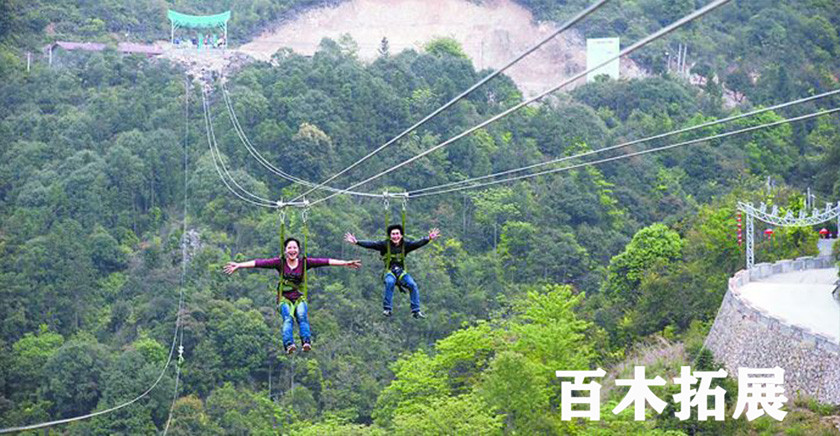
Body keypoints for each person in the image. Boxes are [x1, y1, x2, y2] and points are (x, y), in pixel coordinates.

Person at [224, 238, 361, 354]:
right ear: (285, 251)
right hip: (285, 299)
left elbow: (325, 261)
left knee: (301, 316)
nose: (292, 250)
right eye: (289, 248)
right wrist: (239, 265)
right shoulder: (280, 263)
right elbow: (259, 263)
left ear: (298, 250)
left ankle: (306, 342)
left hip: (299, 297)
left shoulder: (304, 263)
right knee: (288, 318)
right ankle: (289, 344)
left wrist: (345, 263)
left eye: (294, 248)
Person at [345, 225, 440, 318]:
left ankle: (416, 310)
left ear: (401, 235)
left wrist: (428, 238)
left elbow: (417, 243)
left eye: (397, 234)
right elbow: (372, 244)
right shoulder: (385, 245)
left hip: (401, 272)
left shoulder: (405, 245)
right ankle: (387, 309)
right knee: (390, 282)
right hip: (389, 271)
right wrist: (357, 242)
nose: (395, 236)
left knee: (412, 285)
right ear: (390, 236)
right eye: (393, 234)